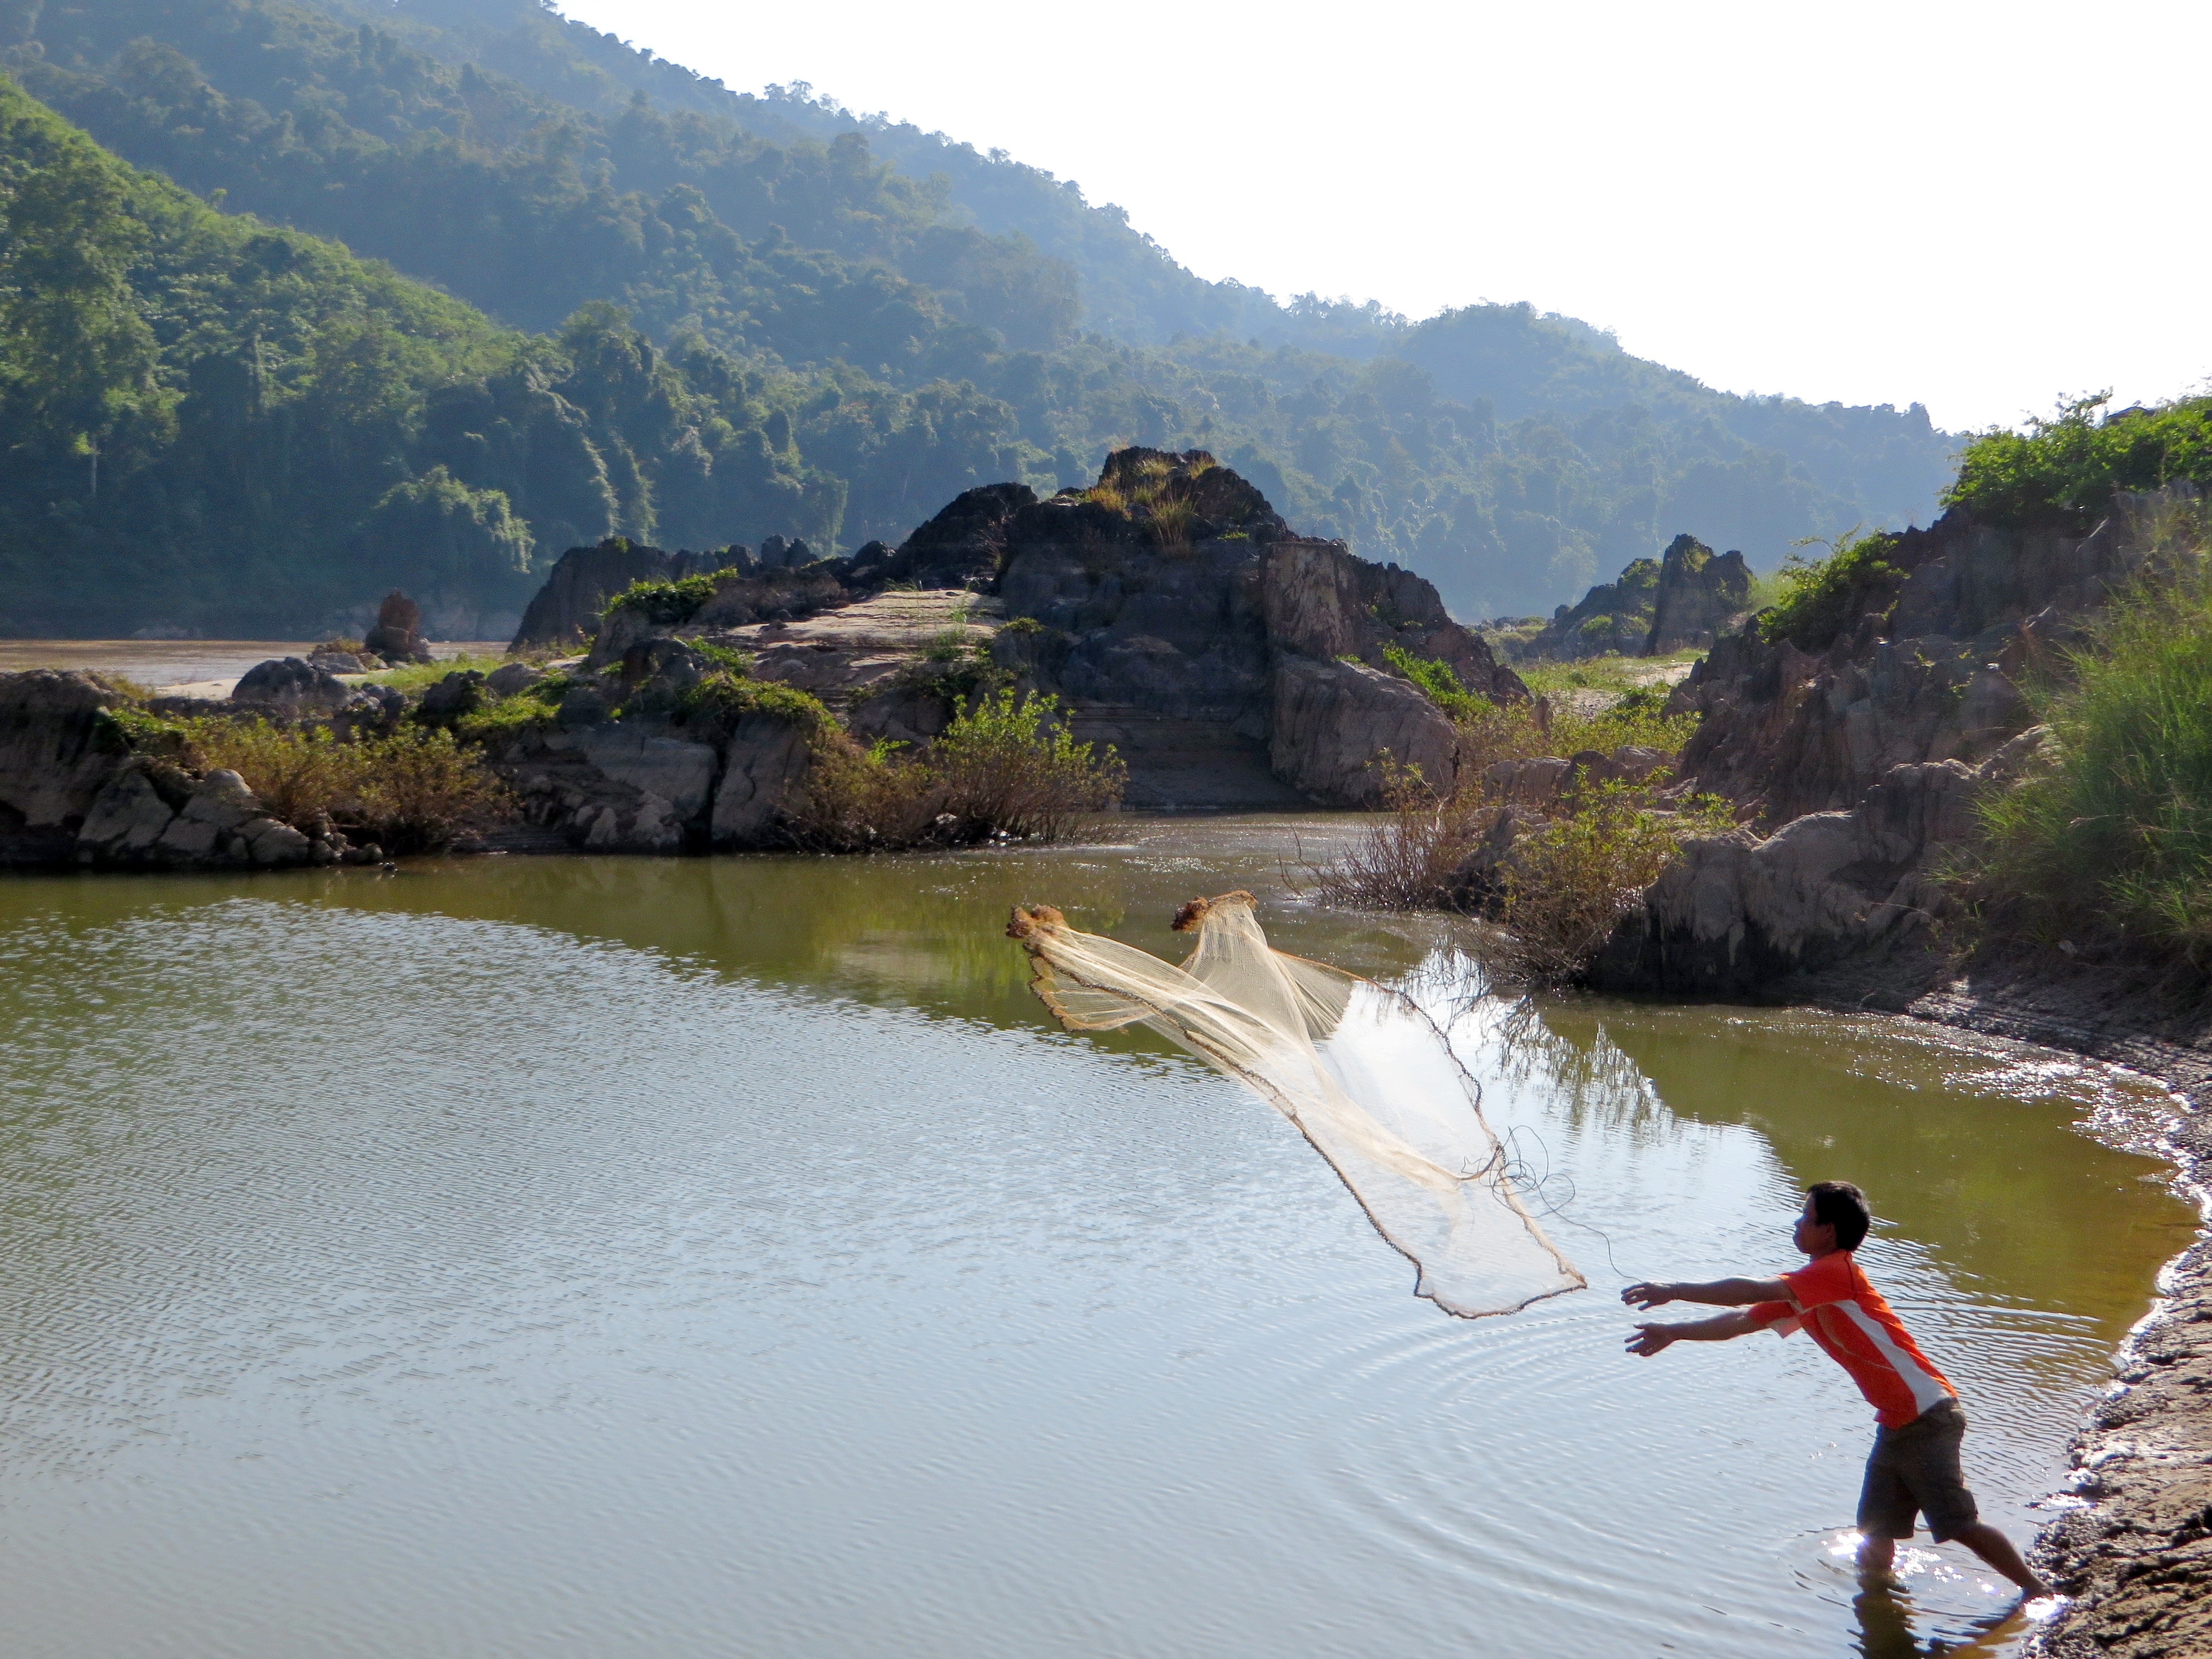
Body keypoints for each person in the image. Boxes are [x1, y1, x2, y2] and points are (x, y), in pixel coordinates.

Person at [1620, 1180, 2051, 1600]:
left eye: (1805, 1217)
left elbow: (1750, 1290)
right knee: (1876, 1532)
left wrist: (1674, 1290)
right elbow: (1741, 1321)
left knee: (1957, 1524)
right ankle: (1880, 1609)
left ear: (1828, 1231)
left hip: (1927, 1415)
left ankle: (2037, 1592)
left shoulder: (1835, 1273)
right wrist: (1674, 1333)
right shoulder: (1809, 1288)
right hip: (1898, 1421)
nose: (1796, 1223)